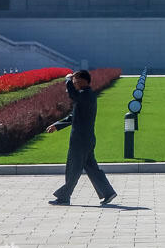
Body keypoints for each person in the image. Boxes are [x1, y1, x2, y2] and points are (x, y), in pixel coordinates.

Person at [47, 70, 117, 206]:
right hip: (85, 139)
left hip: (81, 140)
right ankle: (108, 192)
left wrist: (67, 80)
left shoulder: (85, 95)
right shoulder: (85, 95)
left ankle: (64, 197)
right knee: (91, 168)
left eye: (75, 80)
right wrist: (57, 125)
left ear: (83, 81)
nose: (74, 83)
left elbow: (72, 95)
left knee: (73, 168)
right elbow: (73, 117)